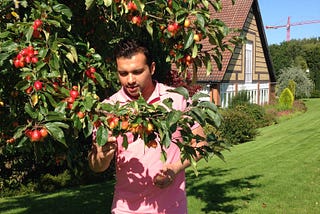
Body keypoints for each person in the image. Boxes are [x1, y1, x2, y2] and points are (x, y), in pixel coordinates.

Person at [88, 39, 207, 214]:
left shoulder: (176, 99)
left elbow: (201, 144)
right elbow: (96, 165)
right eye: (123, 73)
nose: (130, 80)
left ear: (151, 68)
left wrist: (175, 168)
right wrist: (101, 156)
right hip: (126, 209)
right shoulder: (108, 109)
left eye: (137, 72)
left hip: (171, 208)